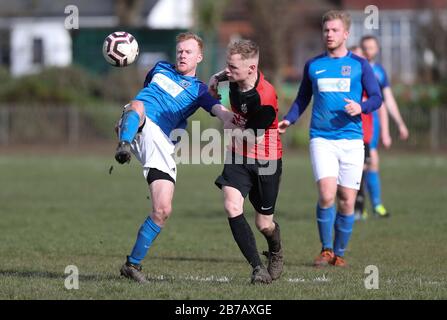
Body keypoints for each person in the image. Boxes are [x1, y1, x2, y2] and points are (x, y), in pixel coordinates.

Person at [114, 32, 234, 283]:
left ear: (199, 57)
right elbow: (143, 96)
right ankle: (123, 143)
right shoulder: (159, 68)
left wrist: (233, 120)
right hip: (140, 123)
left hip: (161, 143)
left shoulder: (199, 90)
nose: (182, 54)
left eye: (188, 51)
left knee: (162, 209)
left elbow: (219, 111)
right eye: (179, 50)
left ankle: (132, 265)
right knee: (136, 105)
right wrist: (128, 123)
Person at [278, 11, 382, 267]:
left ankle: (339, 253)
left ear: (346, 34)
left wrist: (362, 108)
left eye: (335, 30)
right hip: (321, 139)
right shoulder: (313, 65)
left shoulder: (360, 64)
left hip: (352, 141)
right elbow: (303, 98)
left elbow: (377, 97)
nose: (329, 34)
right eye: (326, 30)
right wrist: (289, 119)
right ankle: (325, 250)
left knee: (347, 199)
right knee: (326, 195)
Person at [209, 39, 283, 284]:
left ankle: (275, 247)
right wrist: (216, 78)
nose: (228, 71)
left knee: (264, 224)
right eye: (227, 66)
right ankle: (257, 268)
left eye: (233, 68)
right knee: (232, 206)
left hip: (266, 161)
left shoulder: (264, 99)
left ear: (251, 69)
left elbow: (251, 138)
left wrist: (227, 123)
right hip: (238, 156)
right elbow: (227, 73)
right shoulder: (236, 74)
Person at [360, 35, 409, 218]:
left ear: (377, 49)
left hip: (373, 124)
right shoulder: (356, 68)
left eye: (371, 47)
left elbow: (387, 101)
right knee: (364, 163)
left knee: (372, 163)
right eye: (365, 47)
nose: (368, 51)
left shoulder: (379, 71)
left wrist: (398, 125)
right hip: (358, 122)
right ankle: (360, 206)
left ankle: (375, 205)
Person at [349, 45, 391, 221]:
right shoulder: (348, 79)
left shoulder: (370, 79)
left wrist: (386, 131)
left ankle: (369, 206)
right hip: (347, 135)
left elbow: (380, 102)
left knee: (366, 167)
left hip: (365, 134)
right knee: (354, 172)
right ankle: (356, 208)